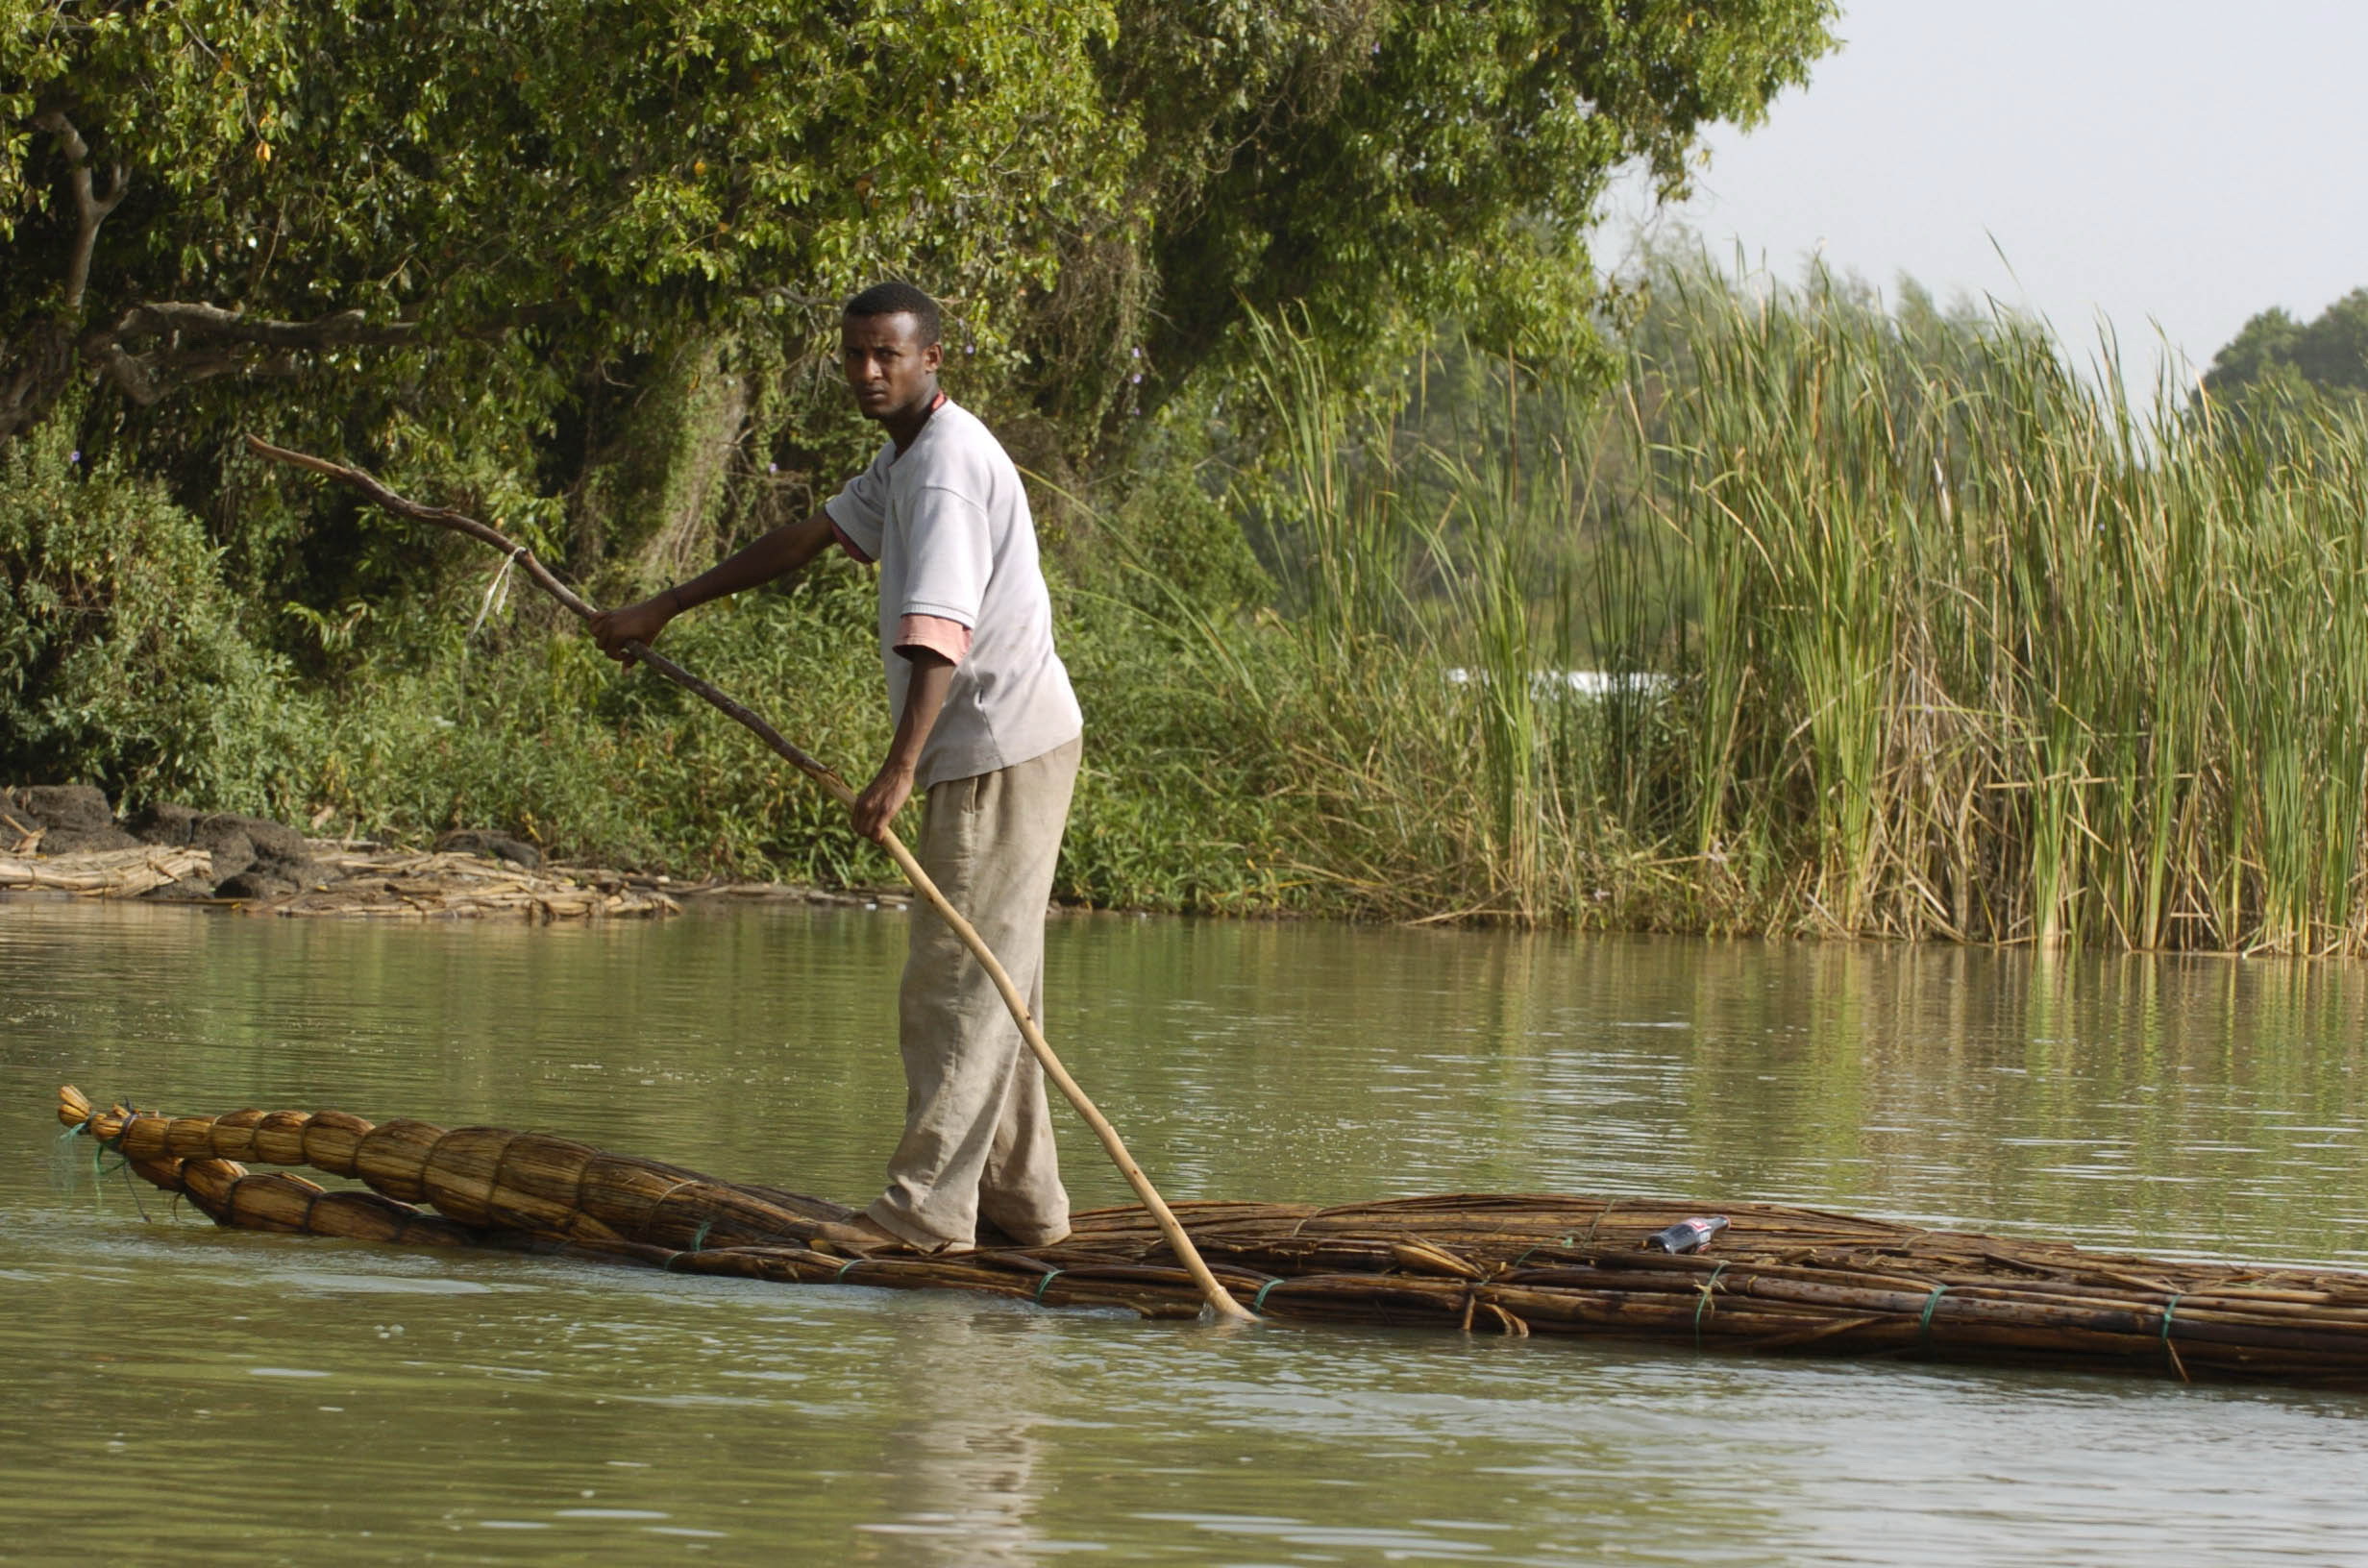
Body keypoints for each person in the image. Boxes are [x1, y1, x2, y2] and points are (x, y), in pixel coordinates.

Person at [591, 282, 1082, 1257]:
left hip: (990, 745)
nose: (866, 373)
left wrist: (899, 769)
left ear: (930, 360)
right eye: (854, 355)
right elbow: (811, 536)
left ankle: (924, 1217)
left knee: (955, 982)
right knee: (993, 977)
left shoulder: (942, 469)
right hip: (1002, 744)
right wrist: (665, 608)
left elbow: (939, 633)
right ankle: (1022, 1211)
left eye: (886, 357)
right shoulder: (905, 458)